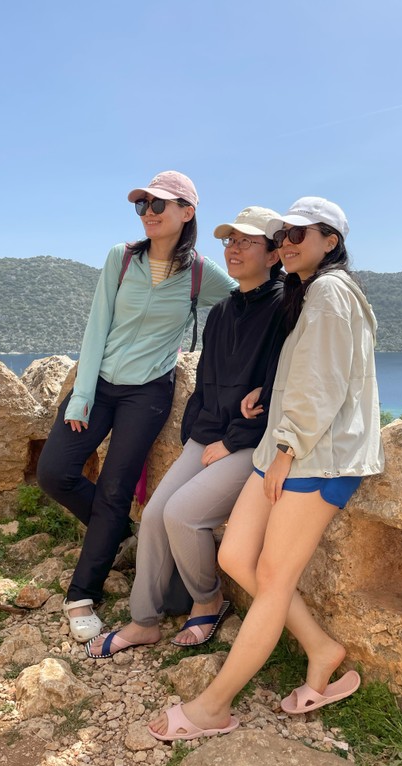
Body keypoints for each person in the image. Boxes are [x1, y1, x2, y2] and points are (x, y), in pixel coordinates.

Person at [147, 196, 385, 740]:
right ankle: (321, 647)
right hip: (287, 450)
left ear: (331, 241)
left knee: (275, 579)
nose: (288, 243)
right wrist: (270, 396)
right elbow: (306, 370)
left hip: (316, 458)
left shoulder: (329, 291)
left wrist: (286, 450)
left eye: (300, 234)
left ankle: (213, 706)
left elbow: (323, 384)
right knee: (234, 556)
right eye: (283, 235)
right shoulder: (309, 292)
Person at [36, 170, 237, 642]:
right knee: (54, 472)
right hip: (100, 385)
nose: (148, 213)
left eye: (158, 205)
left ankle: (82, 594)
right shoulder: (122, 258)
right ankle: (119, 532)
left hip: (148, 393)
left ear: (187, 212)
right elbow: (97, 325)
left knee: (114, 489)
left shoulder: (201, 273)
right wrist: (81, 395)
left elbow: (251, 296)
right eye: (142, 205)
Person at [85, 206, 288, 658]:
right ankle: (143, 621)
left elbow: (280, 387)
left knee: (182, 515)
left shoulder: (284, 309)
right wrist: (199, 433)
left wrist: (230, 441)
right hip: (209, 434)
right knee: (155, 514)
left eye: (247, 242)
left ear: (274, 255)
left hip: (252, 441)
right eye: (230, 241)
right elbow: (206, 382)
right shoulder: (222, 312)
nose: (234, 250)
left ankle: (208, 600)